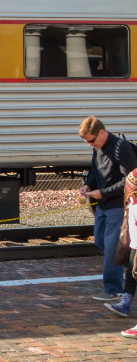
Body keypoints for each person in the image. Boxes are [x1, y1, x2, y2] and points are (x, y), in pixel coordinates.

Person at [78, 116, 137, 301]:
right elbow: (95, 171)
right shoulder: (98, 149)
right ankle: (126, 265)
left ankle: (113, 289)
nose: (90, 145)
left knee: (112, 248)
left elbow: (130, 181)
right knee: (101, 241)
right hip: (103, 206)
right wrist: (88, 185)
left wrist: (103, 192)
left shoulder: (122, 148)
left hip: (118, 206)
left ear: (102, 132)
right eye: (87, 142)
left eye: (92, 140)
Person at [107, 169, 137, 318]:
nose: (129, 196)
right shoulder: (132, 204)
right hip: (134, 243)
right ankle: (125, 303)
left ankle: (126, 303)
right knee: (131, 272)